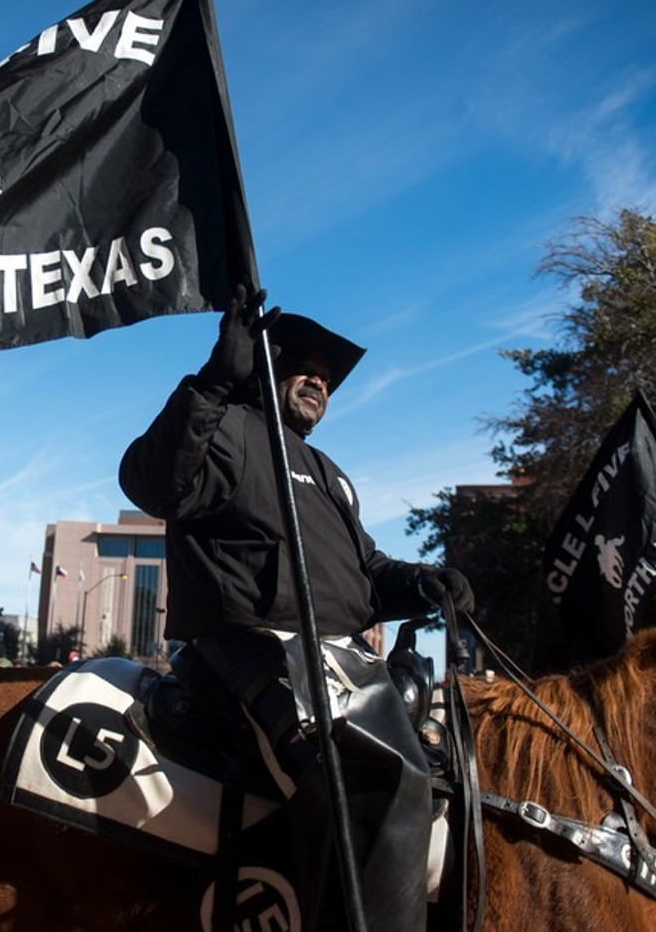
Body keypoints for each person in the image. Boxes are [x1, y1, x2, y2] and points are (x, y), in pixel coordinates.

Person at [118, 290, 474, 930]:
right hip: (248, 646)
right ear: (265, 367)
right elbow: (152, 483)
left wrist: (424, 581)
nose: (319, 381)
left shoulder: (331, 474)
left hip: (338, 659)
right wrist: (213, 382)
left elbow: (367, 573)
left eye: (328, 377)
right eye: (303, 367)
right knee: (368, 780)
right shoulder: (226, 426)